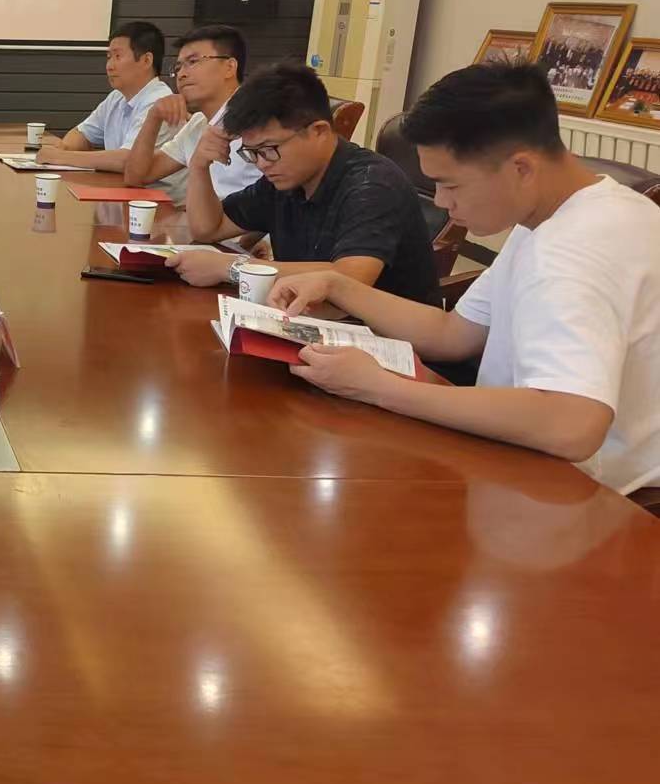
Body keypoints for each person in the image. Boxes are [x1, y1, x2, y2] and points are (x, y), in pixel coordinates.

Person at [270, 62, 660, 495]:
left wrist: (378, 386)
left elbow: (571, 425)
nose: (440, 201)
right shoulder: (565, 212)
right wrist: (339, 286)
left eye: (450, 185)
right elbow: (454, 334)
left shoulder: (573, 250)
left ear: (521, 168)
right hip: (530, 457)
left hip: (595, 498)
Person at [171, 60, 439, 304]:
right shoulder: (284, 180)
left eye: (268, 149)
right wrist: (199, 166)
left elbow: (350, 277)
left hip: (378, 335)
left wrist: (231, 267)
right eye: (252, 152)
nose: (262, 163)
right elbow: (208, 229)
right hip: (309, 318)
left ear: (319, 131)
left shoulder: (372, 183)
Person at [123, 24, 262, 205]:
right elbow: (136, 177)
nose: (181, 74)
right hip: (202, 220)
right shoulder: (198, 124)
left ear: (229, 67)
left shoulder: (259, 118)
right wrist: (153, 118)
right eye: (178, 67)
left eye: (193, 61)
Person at [33, 20, 179, 173]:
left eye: (118, 56)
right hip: (120, 185)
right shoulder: (116, 97)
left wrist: (60, 157)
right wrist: (63, 148)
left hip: (154, 188)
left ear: (146, 60)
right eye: (109, 57)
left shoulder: (160, 102)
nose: (109, 66)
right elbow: (82, 133)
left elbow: (127, 160)